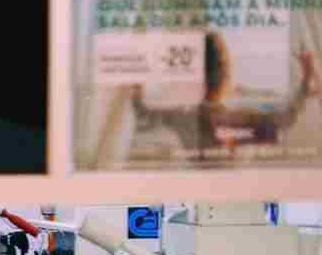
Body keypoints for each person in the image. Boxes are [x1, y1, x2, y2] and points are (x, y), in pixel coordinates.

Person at [129, 33, 319, 162]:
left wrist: (136, 69)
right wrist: (307, 78)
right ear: (225, 75)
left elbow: (141, 112)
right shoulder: (237, 120)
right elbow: (286, 119)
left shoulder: (179, 118)